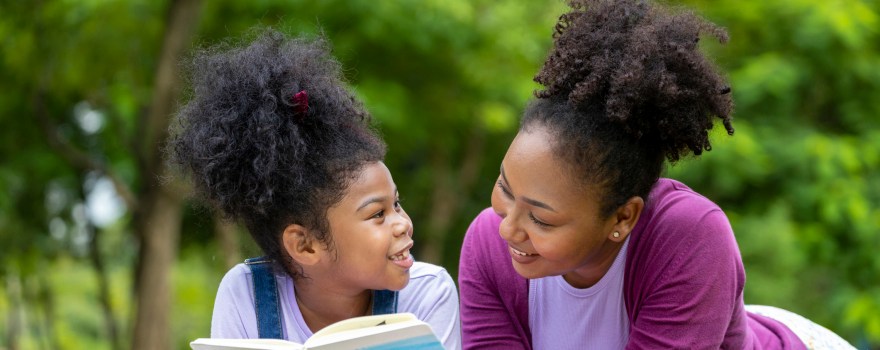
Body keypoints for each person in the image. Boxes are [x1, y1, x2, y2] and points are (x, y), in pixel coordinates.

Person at [457, 0, 855, 349]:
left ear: (622, 217)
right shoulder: (487, 245)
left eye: (541, 218)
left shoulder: (690, 238)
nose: (507, 228)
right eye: (505, 189)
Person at [168, 30, 460, 349]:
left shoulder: (427, 293)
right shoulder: (245, 294)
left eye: (397, 205)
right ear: (305, 245)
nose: (403, 223)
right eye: (378, 214)